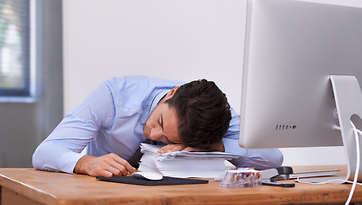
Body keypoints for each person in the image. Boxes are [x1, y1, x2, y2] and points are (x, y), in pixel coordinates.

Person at [32, 75, 283, 177]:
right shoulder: (114, 96)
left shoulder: (209, 116)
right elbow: (44, 152)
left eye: (167, 139)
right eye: (161, 122)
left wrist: (212, 145)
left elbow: (273, 156)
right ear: (171, 93)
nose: (153, 134)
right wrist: (84, 163)